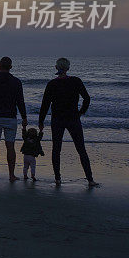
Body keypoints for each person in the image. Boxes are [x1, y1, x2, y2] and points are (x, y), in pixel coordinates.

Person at [39, 57, 98, 187]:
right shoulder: (76, 81)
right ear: (68, 68)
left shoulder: (52, 84)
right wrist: (81, 112)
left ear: (56, 68)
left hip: (57, 119)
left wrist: (41, 121)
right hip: (73, 118)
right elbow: (87, 98)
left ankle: (58, 179)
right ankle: (90, 179)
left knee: (56, 149)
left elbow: (45, 104)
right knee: (81, 149)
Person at [0, 56, 27, 181]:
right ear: (11, 67)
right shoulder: (16, 81)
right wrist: (24, 117)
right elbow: (20, 101)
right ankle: (11, 175)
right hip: (10, 117)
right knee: (10, 146)